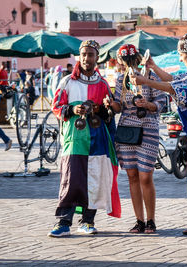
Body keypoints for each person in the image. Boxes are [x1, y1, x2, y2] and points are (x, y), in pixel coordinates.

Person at [130, 34, 187, 239]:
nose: (180, 59)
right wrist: (152, 68)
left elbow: (173, 87)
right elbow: (174, 80)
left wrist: (145, 81)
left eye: (181, 55)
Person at [48, 40, 121, 237]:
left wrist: (104, 108)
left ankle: (87, 221)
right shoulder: (67, 82)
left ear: (97, 58)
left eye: (91, 54)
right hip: (74, 140)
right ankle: (63, 222)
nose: (87, 58)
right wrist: (72, 109)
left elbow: (109, 115)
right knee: (71, 179)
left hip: (98, 141)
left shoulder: (103, 84)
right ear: (78, 57)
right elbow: (56, 106)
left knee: (94, 179)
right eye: (84, 54)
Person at [105, 44, 166, 234]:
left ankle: (151, 220)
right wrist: (110, 104)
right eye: (125, 60)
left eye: (131, 59)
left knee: (145, 176)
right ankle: (139, 220)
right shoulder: (121, 79)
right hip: (127, 131)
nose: (128, 63)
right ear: (121, 61)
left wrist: (148, 104)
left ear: (138, 58)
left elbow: (162, 103)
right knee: (132, 176)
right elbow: (119, 108)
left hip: (148, 129)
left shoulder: (149, 76)